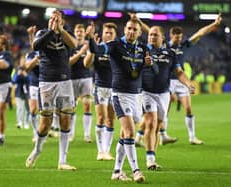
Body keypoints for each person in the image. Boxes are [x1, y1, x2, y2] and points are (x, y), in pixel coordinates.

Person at [133, 13, 222, 145]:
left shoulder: (183, 45)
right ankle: (150, 136)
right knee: (160, 112)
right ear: (170, 36)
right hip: (167, 80)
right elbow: (150, 30)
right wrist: (138, 21)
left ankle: (191, 137)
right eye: (176, 37)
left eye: (180, 37)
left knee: (188, 108)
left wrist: (214, 24)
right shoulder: (165, 46)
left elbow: (199, 34)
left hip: (180, 79)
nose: (178, 40)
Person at [87, 18, 155, 183]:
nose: (131, 32)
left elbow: (152, 69)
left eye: (135, 29)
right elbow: (97, 49)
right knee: (130, 132)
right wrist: (89, 38)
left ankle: (117, 171)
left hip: (136, 95)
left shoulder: (144, 48)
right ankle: (136, 170)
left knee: (125, 135)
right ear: (125, 29)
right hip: (119, 94)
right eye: (129, 28)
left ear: (139, 32)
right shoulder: (115, 45)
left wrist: (150, 64)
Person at [25, 10, 78, 170]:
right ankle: (37, 150)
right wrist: (51, 30)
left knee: (65, 120)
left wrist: (60, 31)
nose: (54, 18)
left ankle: (62, 161)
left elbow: (74, 45)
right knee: (45, 123)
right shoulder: (42, 33)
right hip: (46, 83)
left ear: (62, 20)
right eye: (52, 16)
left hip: (65, 82)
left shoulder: (66, 34)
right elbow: (36, 46)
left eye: (58, 16)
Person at [142, 26, 194, 169]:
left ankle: (152, 158)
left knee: (157, 126)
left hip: (164, 94)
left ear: (162, 37)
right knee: (150, 123)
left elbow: (179, 72)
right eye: (150, 35)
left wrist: (189, 84)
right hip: (147, 93)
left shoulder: (170, 53)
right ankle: (150, 159)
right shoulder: (141, 51)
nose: (152, 37)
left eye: (155, 35)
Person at [84, 22, 117, 160]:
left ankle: (106, 151)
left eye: (111, 33)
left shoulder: (117, 49)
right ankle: (100, 151)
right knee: (101, 117)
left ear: (115, 35)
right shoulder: (96, 48)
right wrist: (92, 50)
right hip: (101, 87)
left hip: (115, 88)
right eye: (106, 32)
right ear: (102, 34)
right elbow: (86, 64)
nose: (108, 35)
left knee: (111, 120)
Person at [69, 24, 93, 142]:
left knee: (87, 105)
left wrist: (86, 51)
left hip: (86, 78)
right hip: (72, 78)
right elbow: (69, 63)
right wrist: (80, 53)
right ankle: (71, 134)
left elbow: (88, 63)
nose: (79, 33)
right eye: (77, 31)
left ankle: (87, 134)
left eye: (81, 31)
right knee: (72, 108)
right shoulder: (70, 45)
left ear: (84, 33)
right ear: (74, 32)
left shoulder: (88, 46)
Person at [24, 25, 40, 142]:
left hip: (46, 84)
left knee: (46, 110)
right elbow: (27, 68)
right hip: (34, 84)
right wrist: (37, 59)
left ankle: (51, 128)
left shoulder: (47, 53)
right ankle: (36, 133)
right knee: (33, 109)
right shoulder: (30, 55)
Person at [12, 63, 30, 129]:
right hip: (19, 93)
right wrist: (18, 74)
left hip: (27, 93)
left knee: (28, 109)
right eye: (20, 70)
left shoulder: (28, 74)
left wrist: (26, 75)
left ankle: (27, 123)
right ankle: (19, 122)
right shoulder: (16, 74)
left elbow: (30, 81)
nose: (22, 71)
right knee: (19, 108)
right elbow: (13, 81)